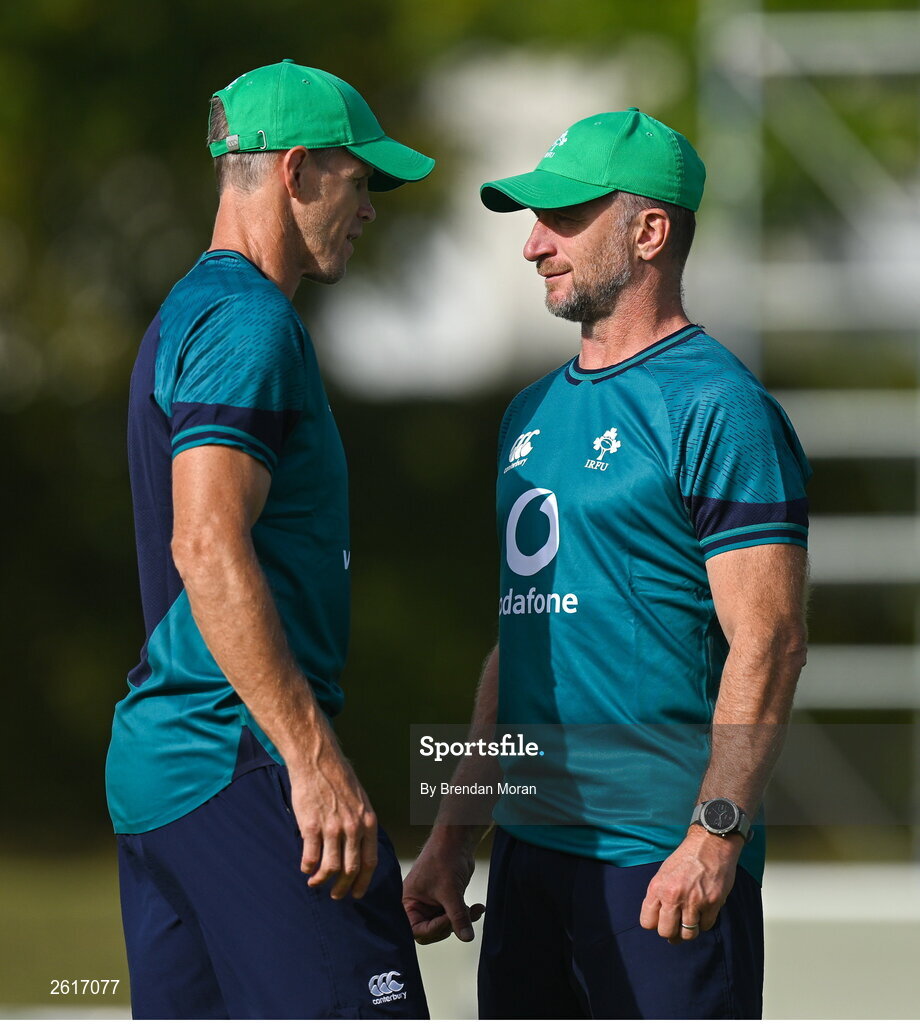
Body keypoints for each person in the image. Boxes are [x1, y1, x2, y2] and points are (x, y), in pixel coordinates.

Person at [403, 109, 810, 1019]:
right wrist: (453, 836)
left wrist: (714, 837)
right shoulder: (529, 413)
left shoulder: (719, 407)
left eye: (563, 219)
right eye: (533, 221)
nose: (533, 245)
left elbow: (772, 641)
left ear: (649, 232)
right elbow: (523, 646)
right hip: (531, 856)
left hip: (658, 861)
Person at [106, 59, 434, 1019]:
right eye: (358, 180)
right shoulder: (250, 321)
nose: (367, 209)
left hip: (170, 774)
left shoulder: (190, 310)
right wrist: (313, 760)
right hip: (236, 756)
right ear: (295, 171)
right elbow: (206, 544)